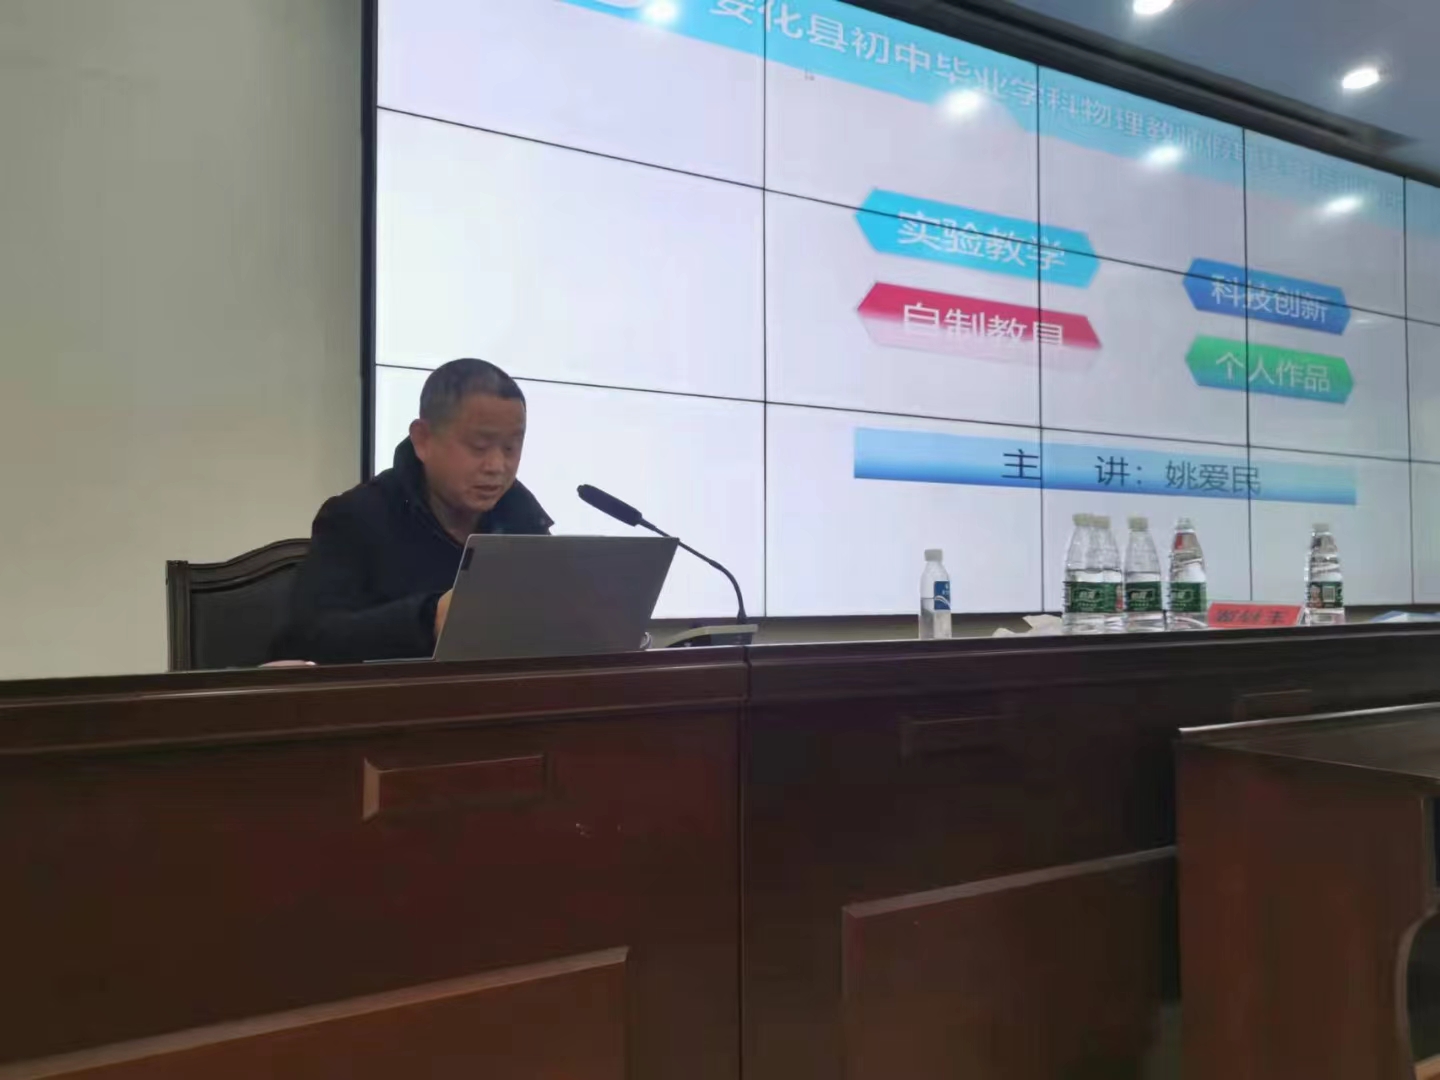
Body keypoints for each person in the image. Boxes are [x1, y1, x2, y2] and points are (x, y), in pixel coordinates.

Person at [273, 358, 552, 664]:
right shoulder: (355, 517)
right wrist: (429, 619)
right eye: (479, 446)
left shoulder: (525, 522)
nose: (497, 466)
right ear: (423, 440)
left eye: (511, 448)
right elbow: (309, 639)